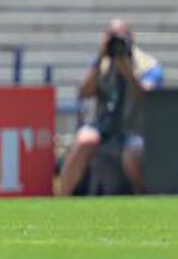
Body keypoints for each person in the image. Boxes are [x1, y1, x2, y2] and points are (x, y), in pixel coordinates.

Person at [56, 19, 162, 196]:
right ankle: (62, 197)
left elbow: (147, 97)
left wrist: (128, 72)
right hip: (104, 125)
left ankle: (142, 197)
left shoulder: (147, 65)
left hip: (134, 128)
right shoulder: (102, 64)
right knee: (84, 140)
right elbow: (85, 92)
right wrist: (100, 58)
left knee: (131, 155)